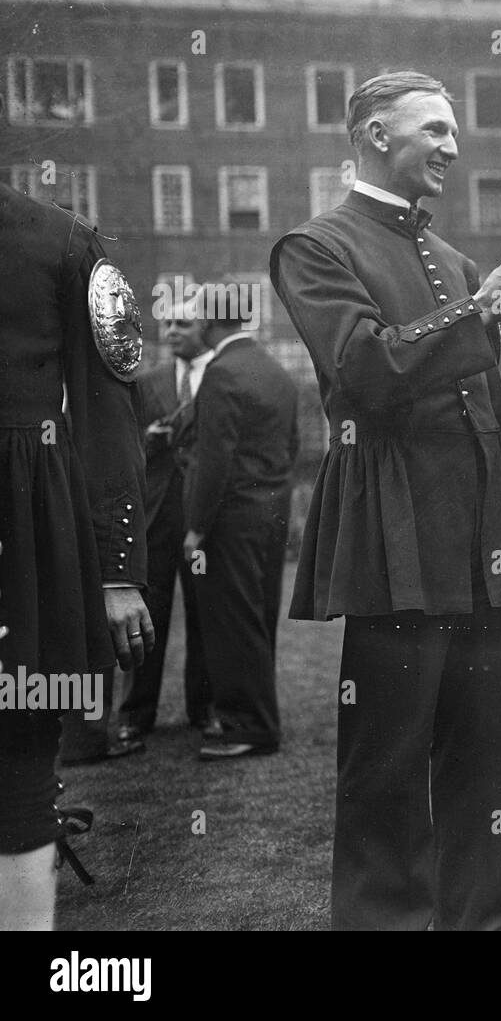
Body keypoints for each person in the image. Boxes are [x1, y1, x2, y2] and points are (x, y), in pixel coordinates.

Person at [270, 71, 501, 930]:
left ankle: (477, 921)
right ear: (371, 132)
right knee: (388, 764)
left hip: (481, 542)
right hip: (395, 537)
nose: (453, 146)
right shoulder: (314, 246)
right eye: (433, 128)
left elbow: (485, 398)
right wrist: (479, 310)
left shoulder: (454, 257)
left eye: (454, 131)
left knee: (486, 754)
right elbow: (364, 371)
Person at [0, 177, 153, 929]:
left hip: (20, 539)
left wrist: (117, 570)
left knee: (19, 757)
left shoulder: (61, 241)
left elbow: (106, 413)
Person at [178, 309, 297, 759]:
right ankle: (255, 719)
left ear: (210, 325)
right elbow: (293, 446)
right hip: (272, 512)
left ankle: (249, 725)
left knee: (232, 620)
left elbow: (214, 461)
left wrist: (195, 528)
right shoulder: (275, 369)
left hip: (231, 519)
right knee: (258, 616)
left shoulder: (221, 373)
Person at [116, 315, 215, 750]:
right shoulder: (146, 381)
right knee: (146, 614)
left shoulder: (221, 377)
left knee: (205, 614)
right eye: (168, 323)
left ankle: (204, 707)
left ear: (205, 330)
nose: (172, 330)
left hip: (200, 520)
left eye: (183, 323)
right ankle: (136, 714)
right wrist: (150, 440)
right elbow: (120, 440)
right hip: (154, 518)